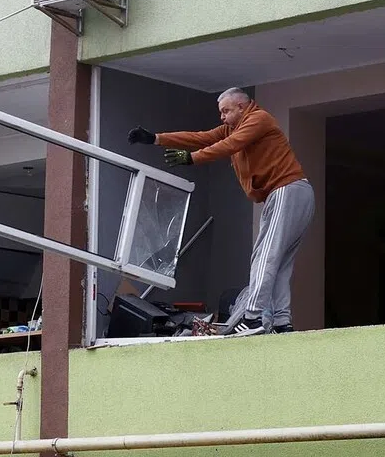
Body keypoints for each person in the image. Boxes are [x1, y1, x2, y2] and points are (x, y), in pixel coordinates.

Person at [128, 88, 315, 335]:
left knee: (264, 256)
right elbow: (201, 137)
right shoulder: (232, 127)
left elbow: (230, 146)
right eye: (221, 112)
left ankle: (253, 317)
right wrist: (155, 138)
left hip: (286, 189)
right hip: (294, 193)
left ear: (242, 106)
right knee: (279, 262)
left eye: (226, 111)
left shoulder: (258, 119)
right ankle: (282, 322)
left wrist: (192, 159)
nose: (222, 117)